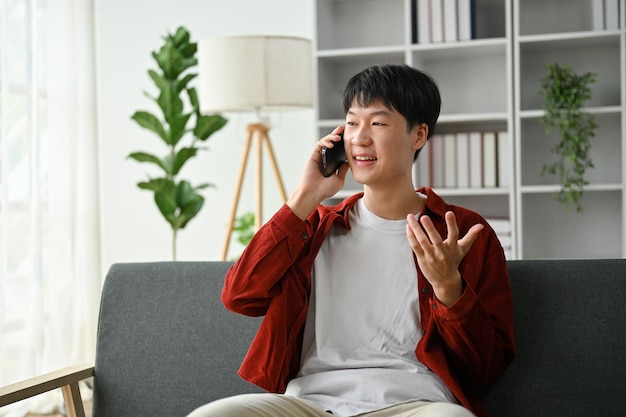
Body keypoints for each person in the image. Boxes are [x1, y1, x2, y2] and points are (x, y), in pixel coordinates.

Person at [188, 64, 515, 417]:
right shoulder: (314, 226)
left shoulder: (463, 232)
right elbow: (239, 297)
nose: (359, 137)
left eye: (377, 123)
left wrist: (450, 288)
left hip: (415, 405)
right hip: (308, 405)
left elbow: (486, 368)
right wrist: (305, 196)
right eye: (353, 122)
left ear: (418, 136)